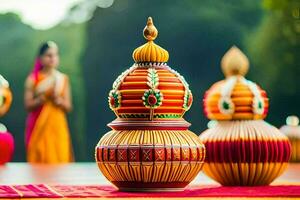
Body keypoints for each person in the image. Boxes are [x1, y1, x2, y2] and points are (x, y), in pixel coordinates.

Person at [24, 41, 73, 163]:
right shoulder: (33, 79)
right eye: (48, 55)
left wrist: (59, 101)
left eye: (55, 55)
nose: (52, 58)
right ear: (40, 58)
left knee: (59, 158)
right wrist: (41, 100)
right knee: (40, 158)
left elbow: (68, 106)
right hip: (38, 126)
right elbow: (27, 105)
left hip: (58, 127)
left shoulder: (62, 79)